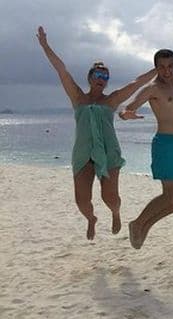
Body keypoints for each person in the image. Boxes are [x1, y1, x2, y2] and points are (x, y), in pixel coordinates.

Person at [36, 26, 157, 240]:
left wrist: (159, 68)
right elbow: (61, 70)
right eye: (98, 74)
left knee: (110, 198)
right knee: (82, 201)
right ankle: (91, 219)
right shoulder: (78, 98)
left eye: (105, 76)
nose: (102, 78)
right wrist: (46, 46)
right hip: (83, 153)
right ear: (90, 78)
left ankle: (116, 212)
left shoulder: (111, 100)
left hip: (109, 152)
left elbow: (137, 82)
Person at [120, 50, 173, 249]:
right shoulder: (153, 88)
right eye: (161, 67)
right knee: (170, 195)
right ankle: (139, 222)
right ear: (156, 68)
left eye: (170, 66)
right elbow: (127, 108)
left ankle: (143, 224)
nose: (166, 71)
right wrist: (127, 114)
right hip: (166, 144)